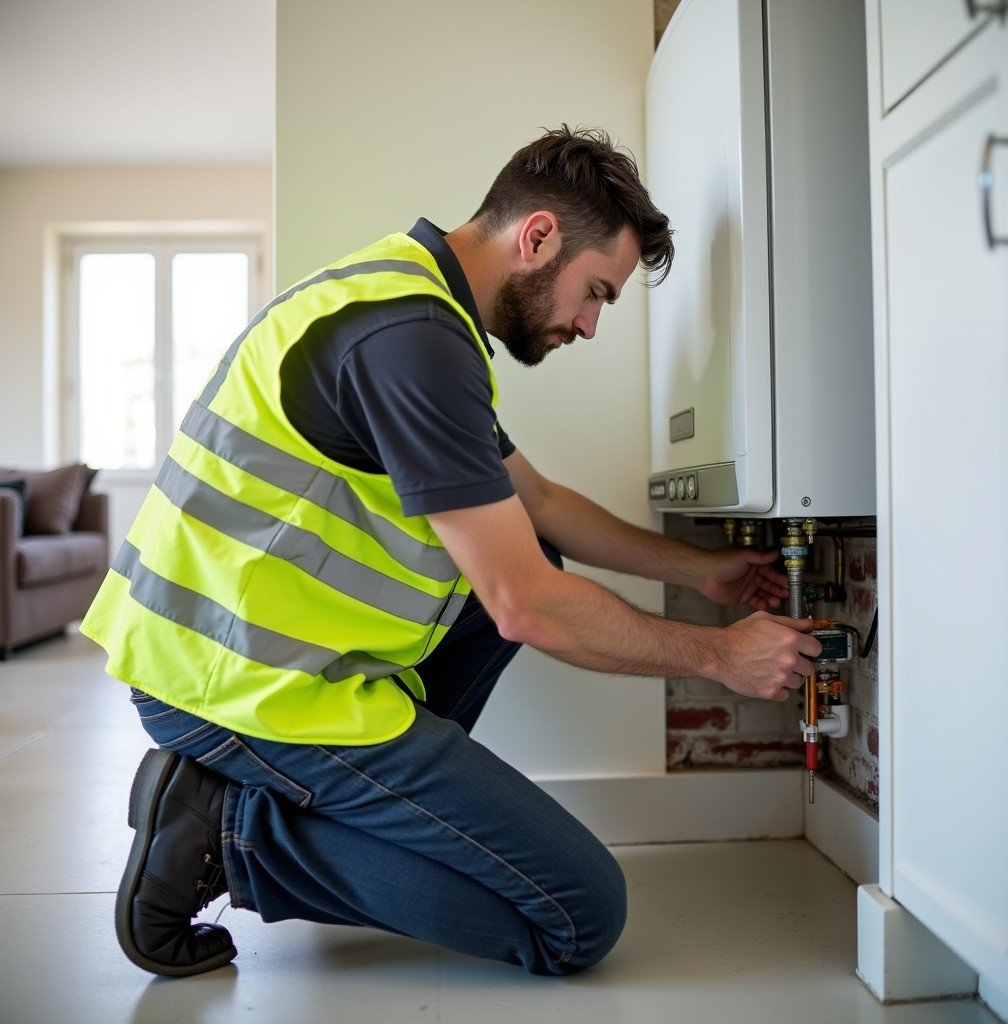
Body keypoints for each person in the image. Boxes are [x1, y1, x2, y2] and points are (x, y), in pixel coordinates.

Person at [81, 125, 821, 980]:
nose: (587, 325)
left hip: (269, 665)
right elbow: (526, 605)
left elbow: (537, 505)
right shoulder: (411, 340)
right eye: (596, 294)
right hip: (230, 686)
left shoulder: (417, 305)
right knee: (579, 918)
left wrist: (698, 570)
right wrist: (720, 656)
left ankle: (328, 807)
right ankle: (231, 832)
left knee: (527, 540)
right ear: (538, 236)